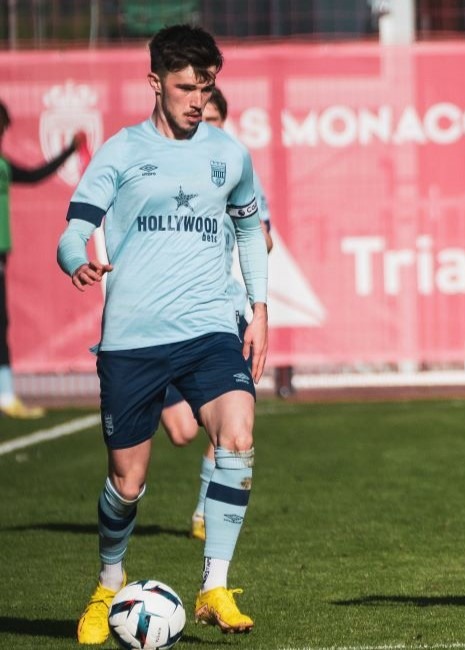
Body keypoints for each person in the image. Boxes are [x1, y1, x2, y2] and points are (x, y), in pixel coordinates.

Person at [58, 25, 268, 643]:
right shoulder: (121, 152)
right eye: (184, 87)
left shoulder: (229, 154)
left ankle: (215, 588)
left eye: (206, 87)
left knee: (238, 434)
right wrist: (78, 260)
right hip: (133, 338)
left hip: (209, 329)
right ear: (154, 82)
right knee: (127, 482)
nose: (197, 99)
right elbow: (75, 228)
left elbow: (251, 230)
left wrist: (258, 309)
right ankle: (108, 582)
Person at [158, 86, 273, 542]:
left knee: (231, 421)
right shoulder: (168, 170)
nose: (208, 127)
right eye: (200, 119)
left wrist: (245, 228)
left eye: (216, 119)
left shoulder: (237, 169)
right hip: (165, 317)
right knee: (182, 430)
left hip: (224, 312)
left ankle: (205, 513)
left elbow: (263, 237)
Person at [0, 101, 84, 418]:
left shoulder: (4, 164)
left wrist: (68, 152)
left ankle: (6, 393)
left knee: (2, 324)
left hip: (1, 255)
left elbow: (35, 175)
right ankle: (5, 393)